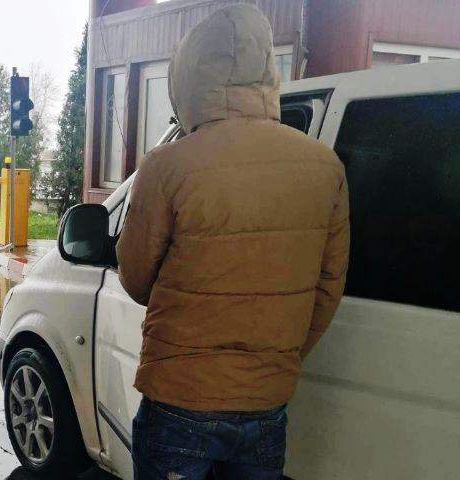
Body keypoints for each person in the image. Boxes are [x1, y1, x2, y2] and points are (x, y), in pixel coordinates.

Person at [116, 5, 350, 480]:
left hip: (180, 396)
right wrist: (274, 360)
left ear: (187, 79)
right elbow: (327, 291)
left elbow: (135, 278)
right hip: (266, 401)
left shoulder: (167, 166)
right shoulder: (326, 167)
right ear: (267, 70)